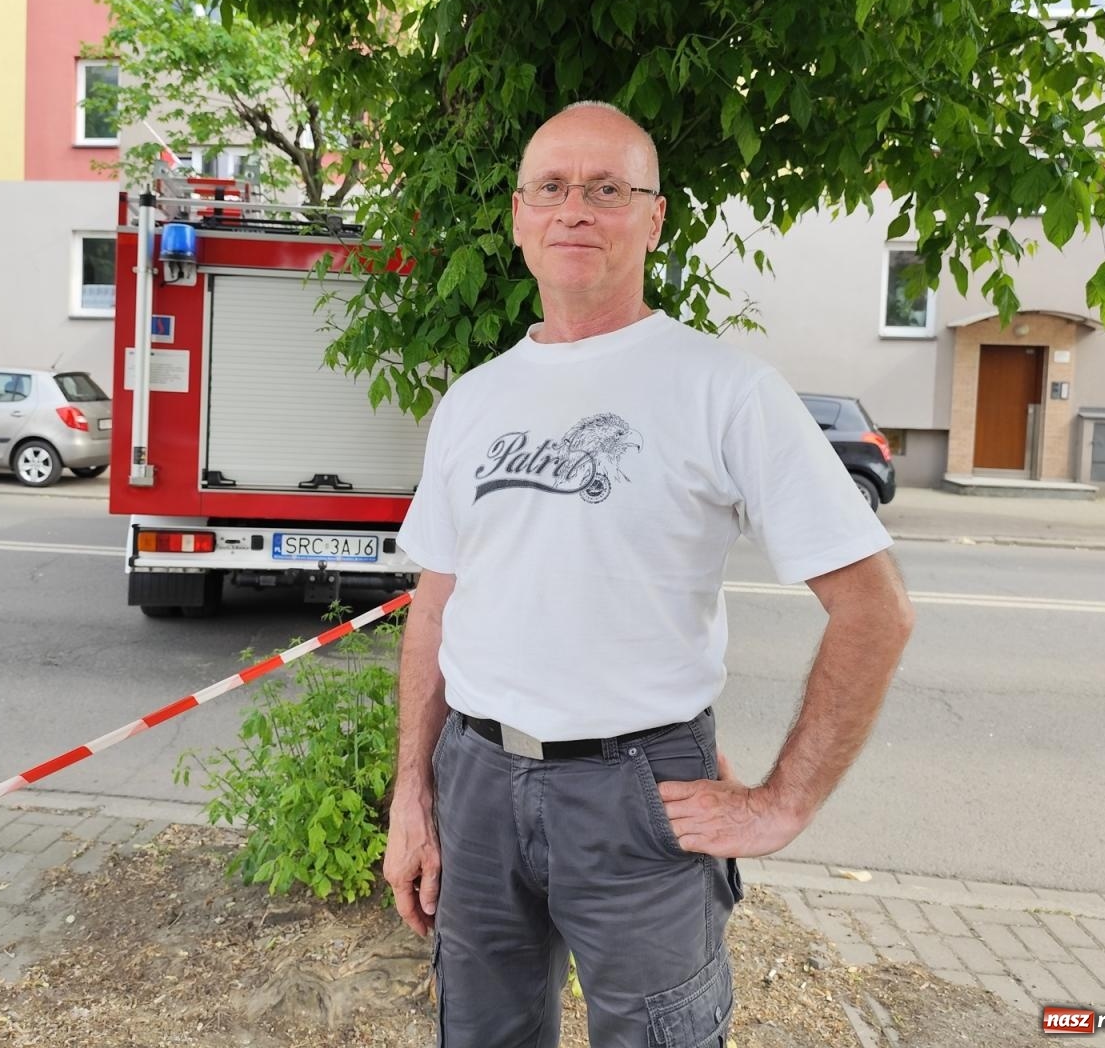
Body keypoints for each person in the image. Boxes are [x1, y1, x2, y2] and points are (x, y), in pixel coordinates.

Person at [384, 101, 916, 1048]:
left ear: (655, 217)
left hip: (639, 795)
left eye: (606, 190)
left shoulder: (725, 390)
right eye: (552, 188)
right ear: (518, 215)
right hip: (474, 783)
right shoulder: (475, 398)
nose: (575, 210)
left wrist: (782, 803)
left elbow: (874, 611)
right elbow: (435, 608)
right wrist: (412, 797)